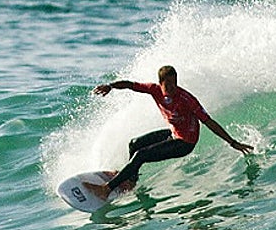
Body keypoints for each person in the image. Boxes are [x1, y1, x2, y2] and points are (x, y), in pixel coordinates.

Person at [88, 65, 252, 198]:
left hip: (185, 143)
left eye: (175, 84)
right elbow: (130, 85)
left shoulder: (187, 99)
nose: (172, 88)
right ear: (160, 83)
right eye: (168, 85)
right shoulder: (154, 89)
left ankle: (106, 189)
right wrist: (110, 86)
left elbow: (208, 122)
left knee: (141, 155)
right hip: (173, 133)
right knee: (134, 144)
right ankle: (130, 180)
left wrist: (233, 142)